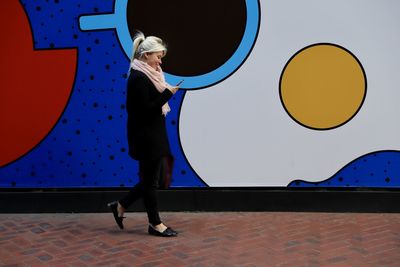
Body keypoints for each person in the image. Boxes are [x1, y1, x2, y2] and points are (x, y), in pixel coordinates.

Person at [108, 31, 180, 237]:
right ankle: (155, 224)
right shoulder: (138, 78)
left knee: (152, 179)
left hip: (154, 134)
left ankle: (121, 205)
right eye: (158, 56)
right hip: (146, 137)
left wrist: (164, 90)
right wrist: (168, 94)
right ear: (146, 55)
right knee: (150, 181)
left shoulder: (149, 75)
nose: (160, 61)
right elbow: (144, 110)